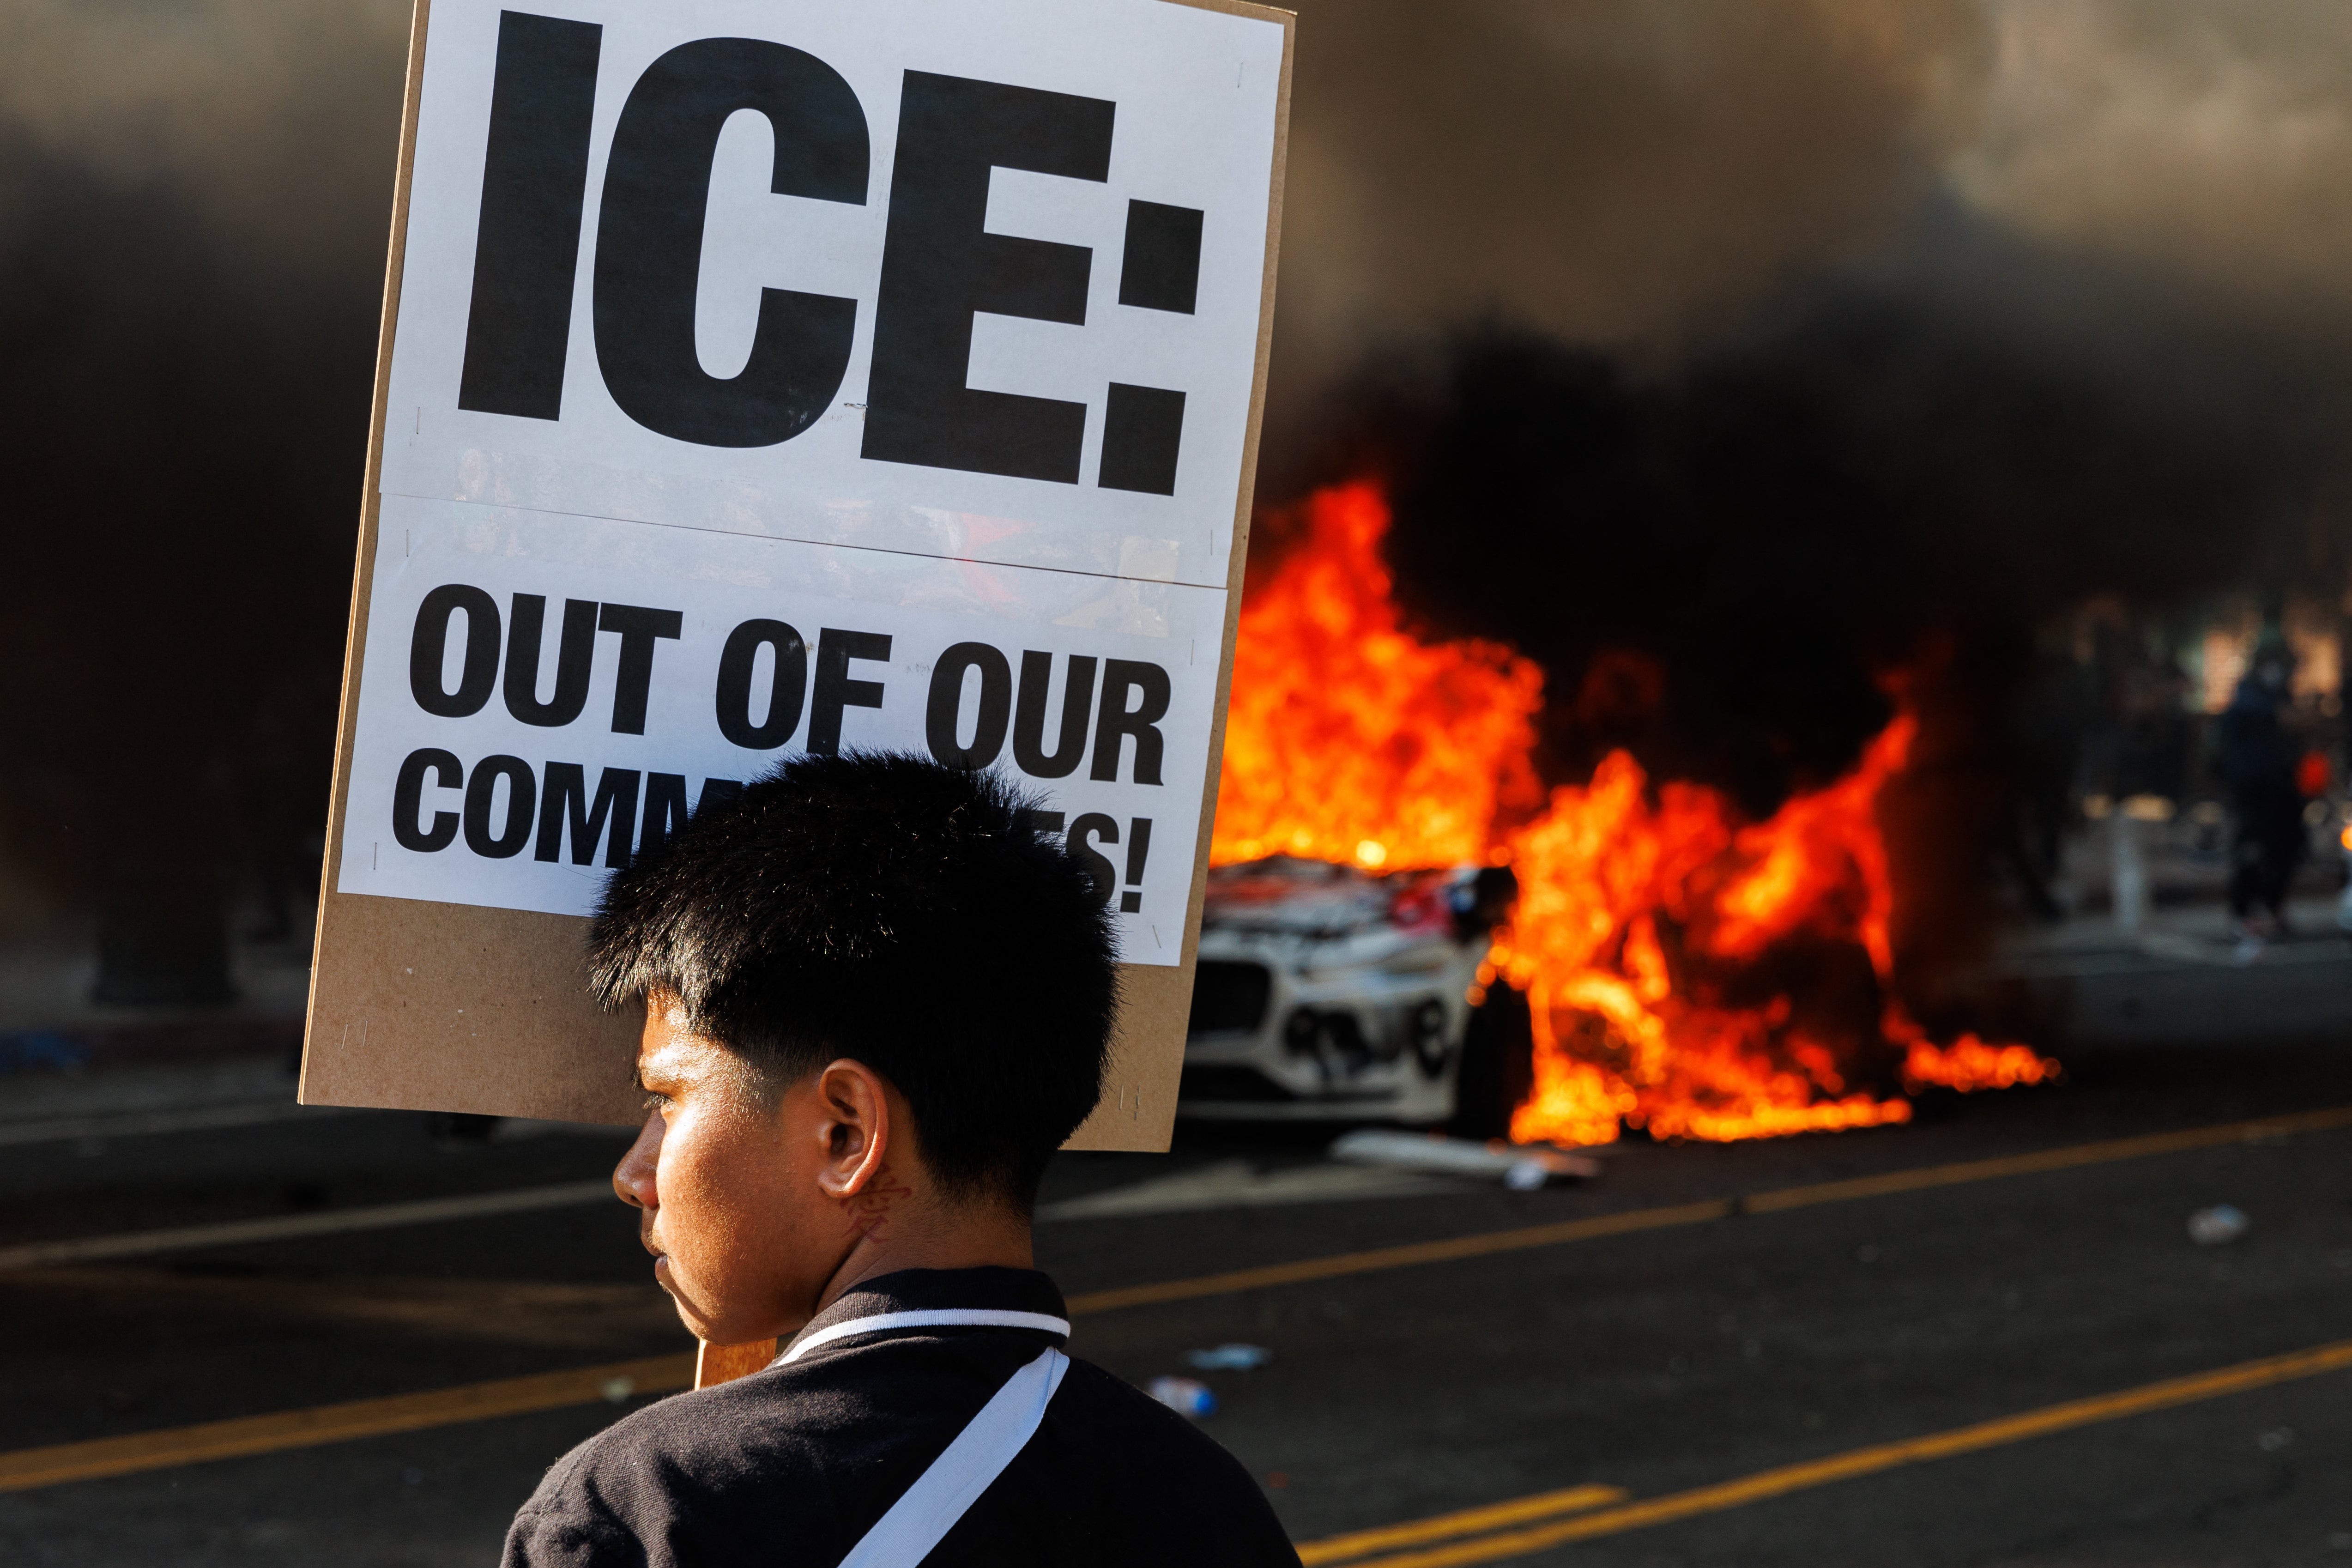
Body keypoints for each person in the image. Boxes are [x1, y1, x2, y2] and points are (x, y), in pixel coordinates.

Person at [501, 751, 1299, 1568]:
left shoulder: (650, 1510)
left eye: (668, 1098)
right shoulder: (1206, 1503)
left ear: (845, 1135)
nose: (633, 1175)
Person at [2214, 651, 2306, 943]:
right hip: (2254, 789)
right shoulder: (2249, 700)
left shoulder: (2279, 696)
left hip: (2283, 787)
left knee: (2287, 849)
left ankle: (2272, 907)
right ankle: (2244, 913)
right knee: (2252, 850)